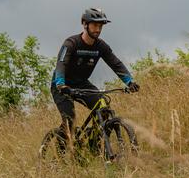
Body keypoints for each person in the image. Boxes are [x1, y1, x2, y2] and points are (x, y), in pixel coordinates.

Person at [51, 7, 139, 142]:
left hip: (82, 84)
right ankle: (59, 159)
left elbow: (115, 64)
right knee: (69, 120)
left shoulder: (101, 46)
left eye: (100, 26)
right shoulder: (71, 43)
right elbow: (61, 64)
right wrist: (61, 84)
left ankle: (93, 145)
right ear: (85, 24)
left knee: (103, 108)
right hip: (62, 85)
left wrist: (129, 82)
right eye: (95, 25)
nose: (98, 29)